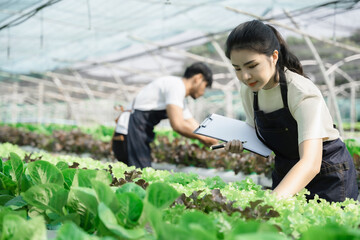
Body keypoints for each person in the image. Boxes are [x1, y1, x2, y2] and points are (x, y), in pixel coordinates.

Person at [224, 19, 358, 202]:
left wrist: (273, 200)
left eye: (252, 66)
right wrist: (240, 144)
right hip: (287, 169)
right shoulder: (249, 90)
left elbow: (311, 163)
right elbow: (256, 133)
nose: (245, 76)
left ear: (274, 56)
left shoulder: (301, 91)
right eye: (237, 69)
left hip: (328, 174)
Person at [112, 62, 218, 169]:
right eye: (205, 86)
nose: (203, 92)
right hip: (129, 133)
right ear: (198, 78)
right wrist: (203, 138)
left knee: (137, 177)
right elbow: (178, 125)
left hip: (135, 133)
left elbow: (193, 124)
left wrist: (213, 139)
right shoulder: (176, 86)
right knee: (140, 177)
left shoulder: (178, 94)